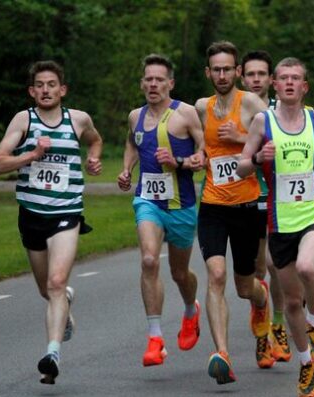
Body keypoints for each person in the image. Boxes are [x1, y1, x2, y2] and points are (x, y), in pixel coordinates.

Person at [0, 60, 103, 384]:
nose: (45, 90)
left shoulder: (78, 120)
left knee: (55, 281)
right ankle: (64, 303)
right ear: (31, 91)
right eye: (39, 85)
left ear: (62, 89)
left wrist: (93, 157)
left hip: (66, 213)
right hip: (31, 215)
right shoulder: (23, 120)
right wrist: (30, 156)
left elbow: (95, 140)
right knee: (47, 289)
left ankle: (52, 353)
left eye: (51, 84)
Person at [237, 56, 314, 397]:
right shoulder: (261, 122)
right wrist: (257, 159)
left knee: (309, 267)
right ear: (275, 86)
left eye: (296, 78)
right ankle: (306, 364)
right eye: (284, 78)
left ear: (304, 86)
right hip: (280, 223)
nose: (290, 83)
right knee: (292, 302)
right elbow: (241, 168)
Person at [117, 54, 205, 367]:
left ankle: (191, 309)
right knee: (149, 259)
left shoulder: (186, 113)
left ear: (170, 83)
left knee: (180, 273)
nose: (153, 84)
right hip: (148, 201)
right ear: (142, 83)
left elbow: (203, 152)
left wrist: (188, 161)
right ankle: (155, 338)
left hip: (181, 205)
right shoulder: (135, 116)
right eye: (148, 79)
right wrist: (127, 169)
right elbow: (132, 143)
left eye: (159, 79)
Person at [194, 41, 273, 385]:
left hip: (246, 206)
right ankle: (222, 354)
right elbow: (200, 144)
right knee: (215, 275)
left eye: (228, 69)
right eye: (217, 69)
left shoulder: (252, 103)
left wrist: (240, 136)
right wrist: (196, 156)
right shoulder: (201, 107)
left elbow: (273, 143)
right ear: (208, 72)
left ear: (237, 71)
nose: (222, 75)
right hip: (212, 205)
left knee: (244, 286)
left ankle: (261, 299)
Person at [240, 50, 291, 363]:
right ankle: (262, 337)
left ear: (270, 80)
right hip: (243, 199)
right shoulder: (231, 110)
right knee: (257, 270)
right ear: (241, 77)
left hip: (276, 198)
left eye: (261, 74)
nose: (256, 79)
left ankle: (280, 326)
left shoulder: (279, 113)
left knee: (275, 265)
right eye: (250, 74)